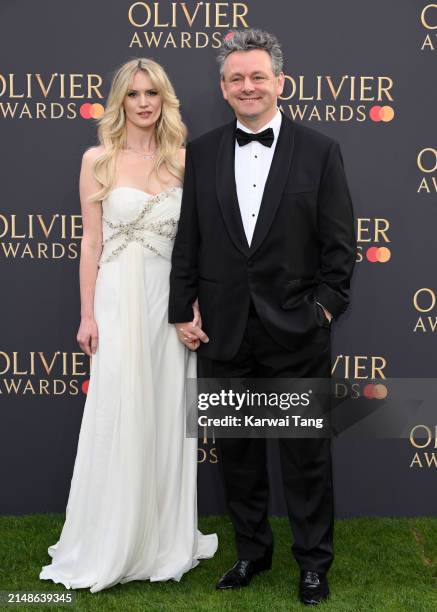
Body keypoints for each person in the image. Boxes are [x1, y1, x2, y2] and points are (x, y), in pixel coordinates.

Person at [169, 29, 355, 606]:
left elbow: (340, 247)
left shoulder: (321, 150)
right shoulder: (199, 153)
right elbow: (189, 240)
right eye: (235, 78)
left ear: (280, 82)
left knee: (305, 457)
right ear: (223, 89)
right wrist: (181, 308)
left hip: (297, 330)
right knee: (239, 456)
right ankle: (252, 552)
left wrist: (322, 309)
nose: (247, 86)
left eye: (257, 76)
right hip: (224, 329)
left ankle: (313, 564)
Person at [39, 58, 217, 593]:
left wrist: (193, 307)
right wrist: (87, 313)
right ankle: (110, 537)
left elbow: (199, 246)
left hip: (169, 300)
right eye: (133, 94)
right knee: (118, 413)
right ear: (119, 101)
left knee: (165, 414)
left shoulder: (187, 162)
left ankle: (164, 537)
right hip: (118, 300)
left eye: (153, 93)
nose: (143, 102)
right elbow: (90, 242)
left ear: (165, 101)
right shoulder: (97, 159)